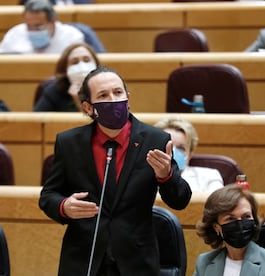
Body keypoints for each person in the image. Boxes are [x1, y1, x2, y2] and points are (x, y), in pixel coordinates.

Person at [39, 66, 192, 275]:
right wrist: (64, 206)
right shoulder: (69, 143)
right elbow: (48, 196)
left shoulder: (156, 140)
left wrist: (166, 176)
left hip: (136, 263)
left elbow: (180, 199)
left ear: (127, 97)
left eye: (118, 92)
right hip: (84, 260)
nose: (113, 99)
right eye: (103, 95)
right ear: (88, 107)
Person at [194, 184, 265, 276]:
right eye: (230, 219)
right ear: (216, 227)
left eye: (246, 216)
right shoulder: (204, 262)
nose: (240, 224)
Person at [154, 116, 223, 193]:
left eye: (181, 148)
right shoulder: (141, 176)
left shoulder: (209, 177)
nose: (173, 152)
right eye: (169, 146)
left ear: (190, 154)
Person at [0, 0, 84, 54]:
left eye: (38, 26)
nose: (33, 31)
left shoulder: (72, 37)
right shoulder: (15, 33)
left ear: (53, 21)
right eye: (28, 26)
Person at [34, 42, 100, 112]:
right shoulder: (54, 91)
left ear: (96, 64)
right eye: (75, 62)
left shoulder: (108, 88)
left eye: (86, 60)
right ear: (65, 69)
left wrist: (79, 102)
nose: (82, 66)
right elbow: (35, 121)